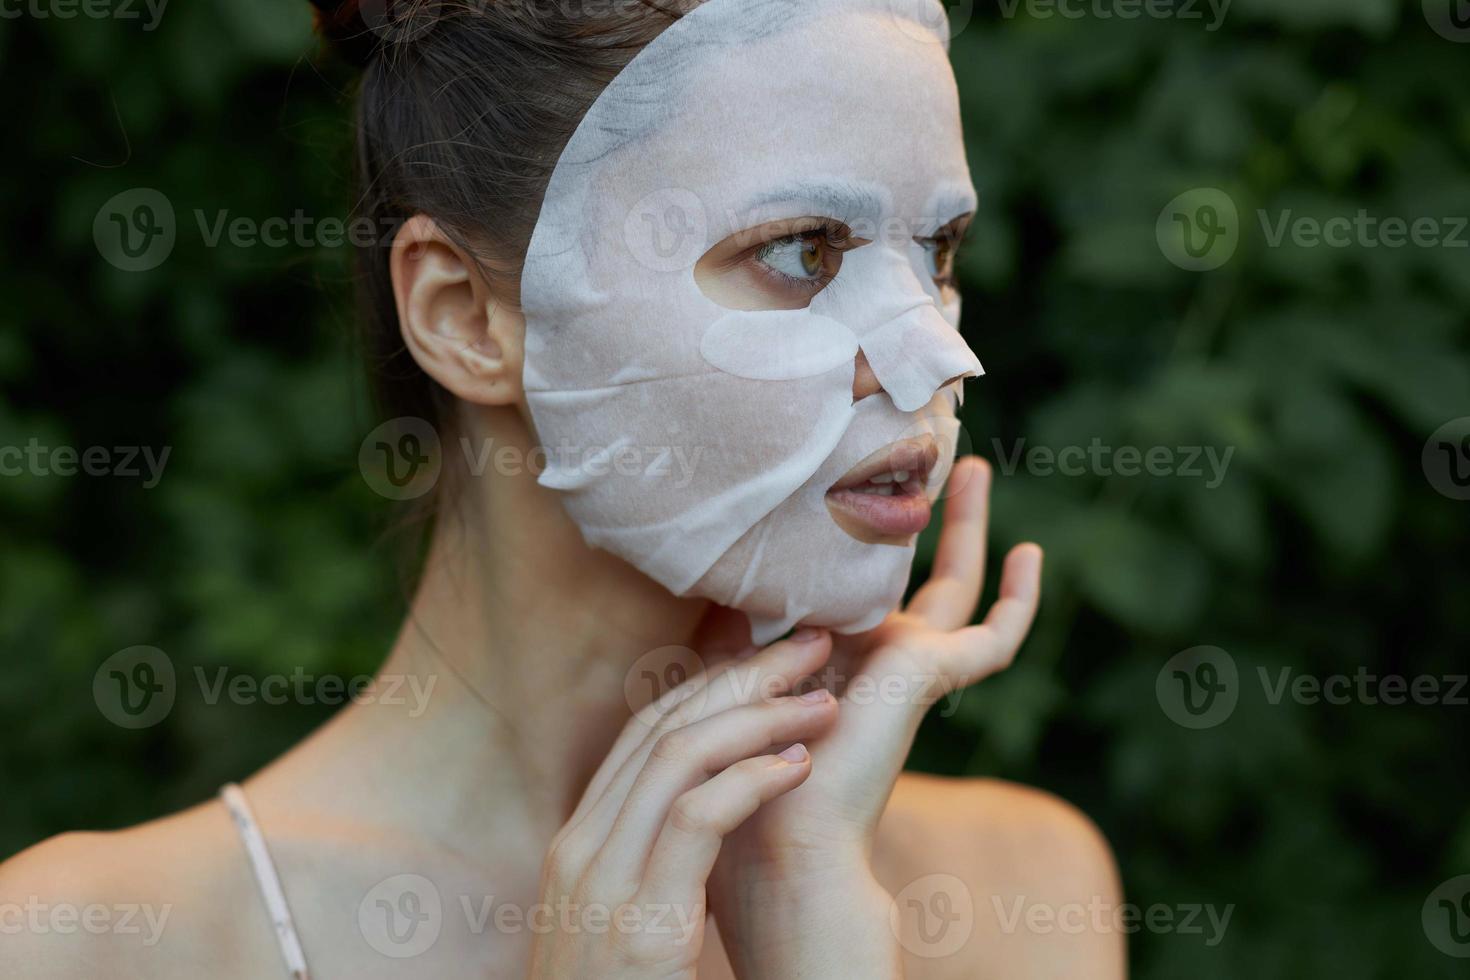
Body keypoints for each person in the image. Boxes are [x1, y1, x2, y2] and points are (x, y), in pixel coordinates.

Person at [1, 0, 1124, 976]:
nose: (941, 353)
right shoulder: (88, 943)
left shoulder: (1015, 890)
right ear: (463, 316)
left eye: (937, 253)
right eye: (803, 253)